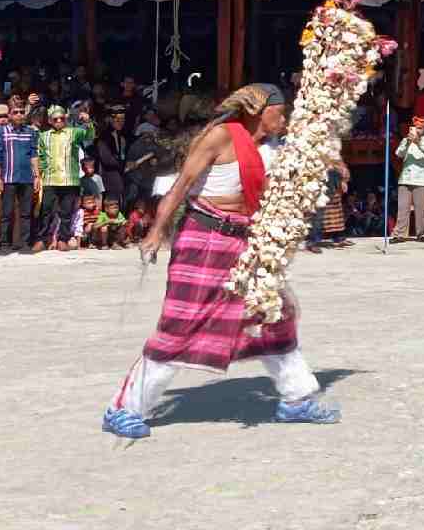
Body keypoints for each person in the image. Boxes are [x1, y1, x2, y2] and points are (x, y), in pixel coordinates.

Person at [105, 84, 338, 440]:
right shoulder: (219, 137)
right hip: (205, 238)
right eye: (279, 111)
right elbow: (180, 187)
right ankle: (124, 408)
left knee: (274, 315)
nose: (283, 118)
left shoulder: (271, 149)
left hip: (248, 241)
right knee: (180, 324)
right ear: (259, 110)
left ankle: (296, 398)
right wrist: (156, 232)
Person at [34, 105, 93, 252]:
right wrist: (39, 174)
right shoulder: (43, 136)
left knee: (66, 212)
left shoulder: (74, 132)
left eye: (62, 118)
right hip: (50, 179)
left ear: (66, 119)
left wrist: (88, 122)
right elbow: (40, 156)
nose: (59, 120)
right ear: (50, 120)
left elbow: (89, 136)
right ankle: (43, 240)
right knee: (46, 211)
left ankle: (63, 240)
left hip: (70, 179)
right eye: (55, 119)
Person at [0, 104, 40, 255]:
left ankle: (25, 244)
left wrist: (37, 176)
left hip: (26, 178)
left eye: (21, 112)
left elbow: (34, 155)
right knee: (6, 213)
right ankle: (4, 244)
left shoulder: (30, 132)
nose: (19, 115)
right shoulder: (1, 131)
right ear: (10, 115)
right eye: (15, 112)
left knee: (26, 213)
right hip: (8, 177)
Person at [392, 117, 424, 242]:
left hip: (422, 180)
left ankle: (420, 234)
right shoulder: (406, 140)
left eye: (420, 128)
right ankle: (398, 234)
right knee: (402, 208)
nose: (418, 130)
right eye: (416, 128)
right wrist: (407, 142)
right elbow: (398, 153)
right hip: (405, 179)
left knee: (420, 209)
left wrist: (417, 142)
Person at [95, 109, 128, 211]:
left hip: (120, 175)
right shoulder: (103, 137)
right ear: (110, 120)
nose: (120, 122)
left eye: (123, 119)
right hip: (108, 177)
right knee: (111, 204)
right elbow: (107, 160)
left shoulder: (121, 136)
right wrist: (124, 164)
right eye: (117, 119)